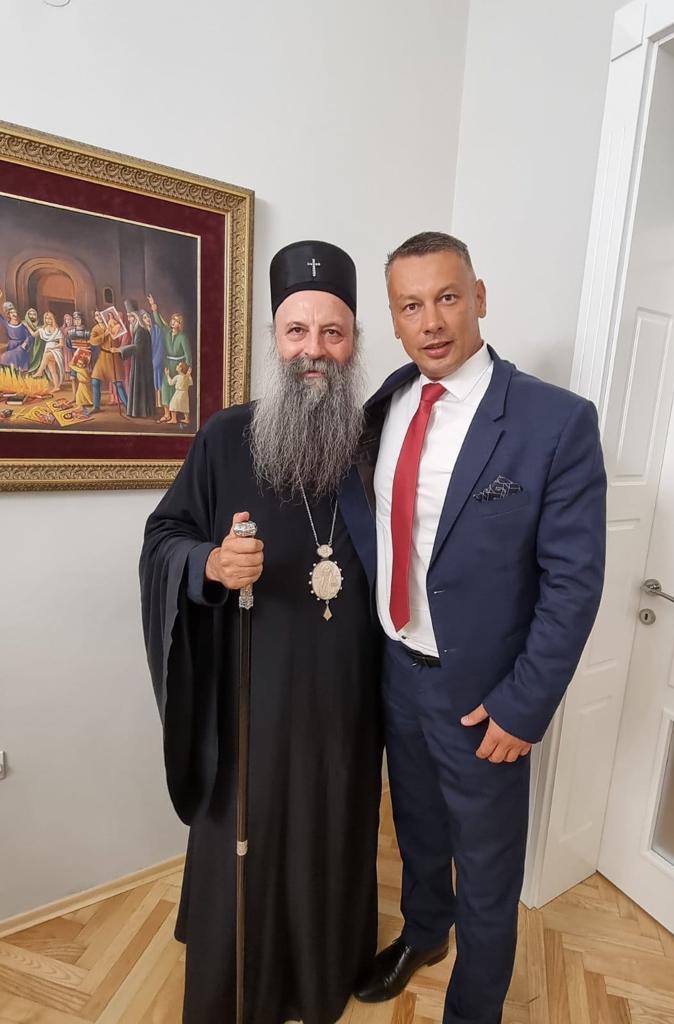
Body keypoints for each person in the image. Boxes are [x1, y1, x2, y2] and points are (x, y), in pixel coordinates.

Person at [350, 232, 607, 1024]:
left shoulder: (554, 421)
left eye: (447, 298)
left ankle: (473, 1012)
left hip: (485, 699)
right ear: (394, 319)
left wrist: (523, 707)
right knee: (418, 830)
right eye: (410, 306)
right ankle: (425, 933)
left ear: (480, 297)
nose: (431, 322)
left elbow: (574, 582)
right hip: (397, 671)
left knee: (489, 873)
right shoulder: (385, 405)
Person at [140, 240, 382, 1024]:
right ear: (274, 340)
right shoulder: (226, 436)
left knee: (334, 826)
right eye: (297, 331)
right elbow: (164, 538)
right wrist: (211, 563)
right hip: (253, 692)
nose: (315, 350)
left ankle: (324, 975)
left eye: (332, 332)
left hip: (349, 696)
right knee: (248, 825)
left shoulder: (376, 443)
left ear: (353, 341)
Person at [147, 293, 193, 422]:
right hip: (167, 364)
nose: (173, 322)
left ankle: (175, 416)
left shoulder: (183, 337)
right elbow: (158, 321)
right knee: (165, 388)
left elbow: (188, 354)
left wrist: (188, 369)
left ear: (180, 324)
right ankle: (167, 414)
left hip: (179, 366)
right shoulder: (166, 332)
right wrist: (153, 307)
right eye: (172, 320)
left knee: (176, 390)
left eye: (176, 321)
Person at [117, 301, 156, 418]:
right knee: (137, 386)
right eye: (128, 316)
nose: (129, 319)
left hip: (142, 365)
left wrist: (121, 350)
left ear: (136, 317)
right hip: (139, 362)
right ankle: (138, 411)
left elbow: (137, 347)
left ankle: (141, 412)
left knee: (141, 386)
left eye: (131, 316)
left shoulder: (140, 331)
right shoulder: (137, 329)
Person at [30, 311, 65, 389]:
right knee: (53, 371)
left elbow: (62, 344)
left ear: (53, 319)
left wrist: (52, 348)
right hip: (47, 349)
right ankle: (56, 387)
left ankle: (39, 372)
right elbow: (33, 334)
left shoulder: (57, 330)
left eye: (50, 318)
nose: (48, 320)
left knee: (46, 355)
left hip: (56, 351)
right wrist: (26, 326)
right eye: (46, 318)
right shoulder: (42, 329)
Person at [0, 291, 32, 370]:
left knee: (18, 365)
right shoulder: (6, 323)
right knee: (8, 364)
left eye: (15, 312)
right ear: (9, 315)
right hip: (12, 346)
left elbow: (29, 336)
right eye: (11, 313)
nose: (14, 314)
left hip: (21, 347)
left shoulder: (22, 324)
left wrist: (23, 345)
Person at [165, 359, 193, 424]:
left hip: (178, 393)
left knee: (172, 404)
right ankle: (186, 419)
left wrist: (167, 375)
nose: (177, 366)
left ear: (181, 369)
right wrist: (189, 375)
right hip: (185, 393)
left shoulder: (177, 377)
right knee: (185, 406)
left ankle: (174, 419)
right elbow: (191, 383)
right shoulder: (186, 377)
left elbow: (171, 383)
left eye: (178, 365)